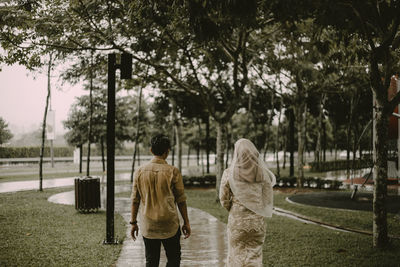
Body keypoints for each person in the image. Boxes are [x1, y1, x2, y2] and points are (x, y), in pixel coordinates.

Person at [130, 134, 191, 267]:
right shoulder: (173, 172)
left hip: (149, 225)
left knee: (151, 261)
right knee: (174, 259)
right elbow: (181, 200)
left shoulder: (139, 172)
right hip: (170, 224)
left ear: (151, 150)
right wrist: (186, 222)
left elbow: (135, 200)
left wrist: (133, 222)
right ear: (167, 151)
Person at [219, 138, 276, 267]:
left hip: (237, 222)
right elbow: (267, 200)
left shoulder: (229, 174)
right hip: (257, 223)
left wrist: (234, 209)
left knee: (236, 256)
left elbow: (223, 199)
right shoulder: (263, 174)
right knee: (254, 256)